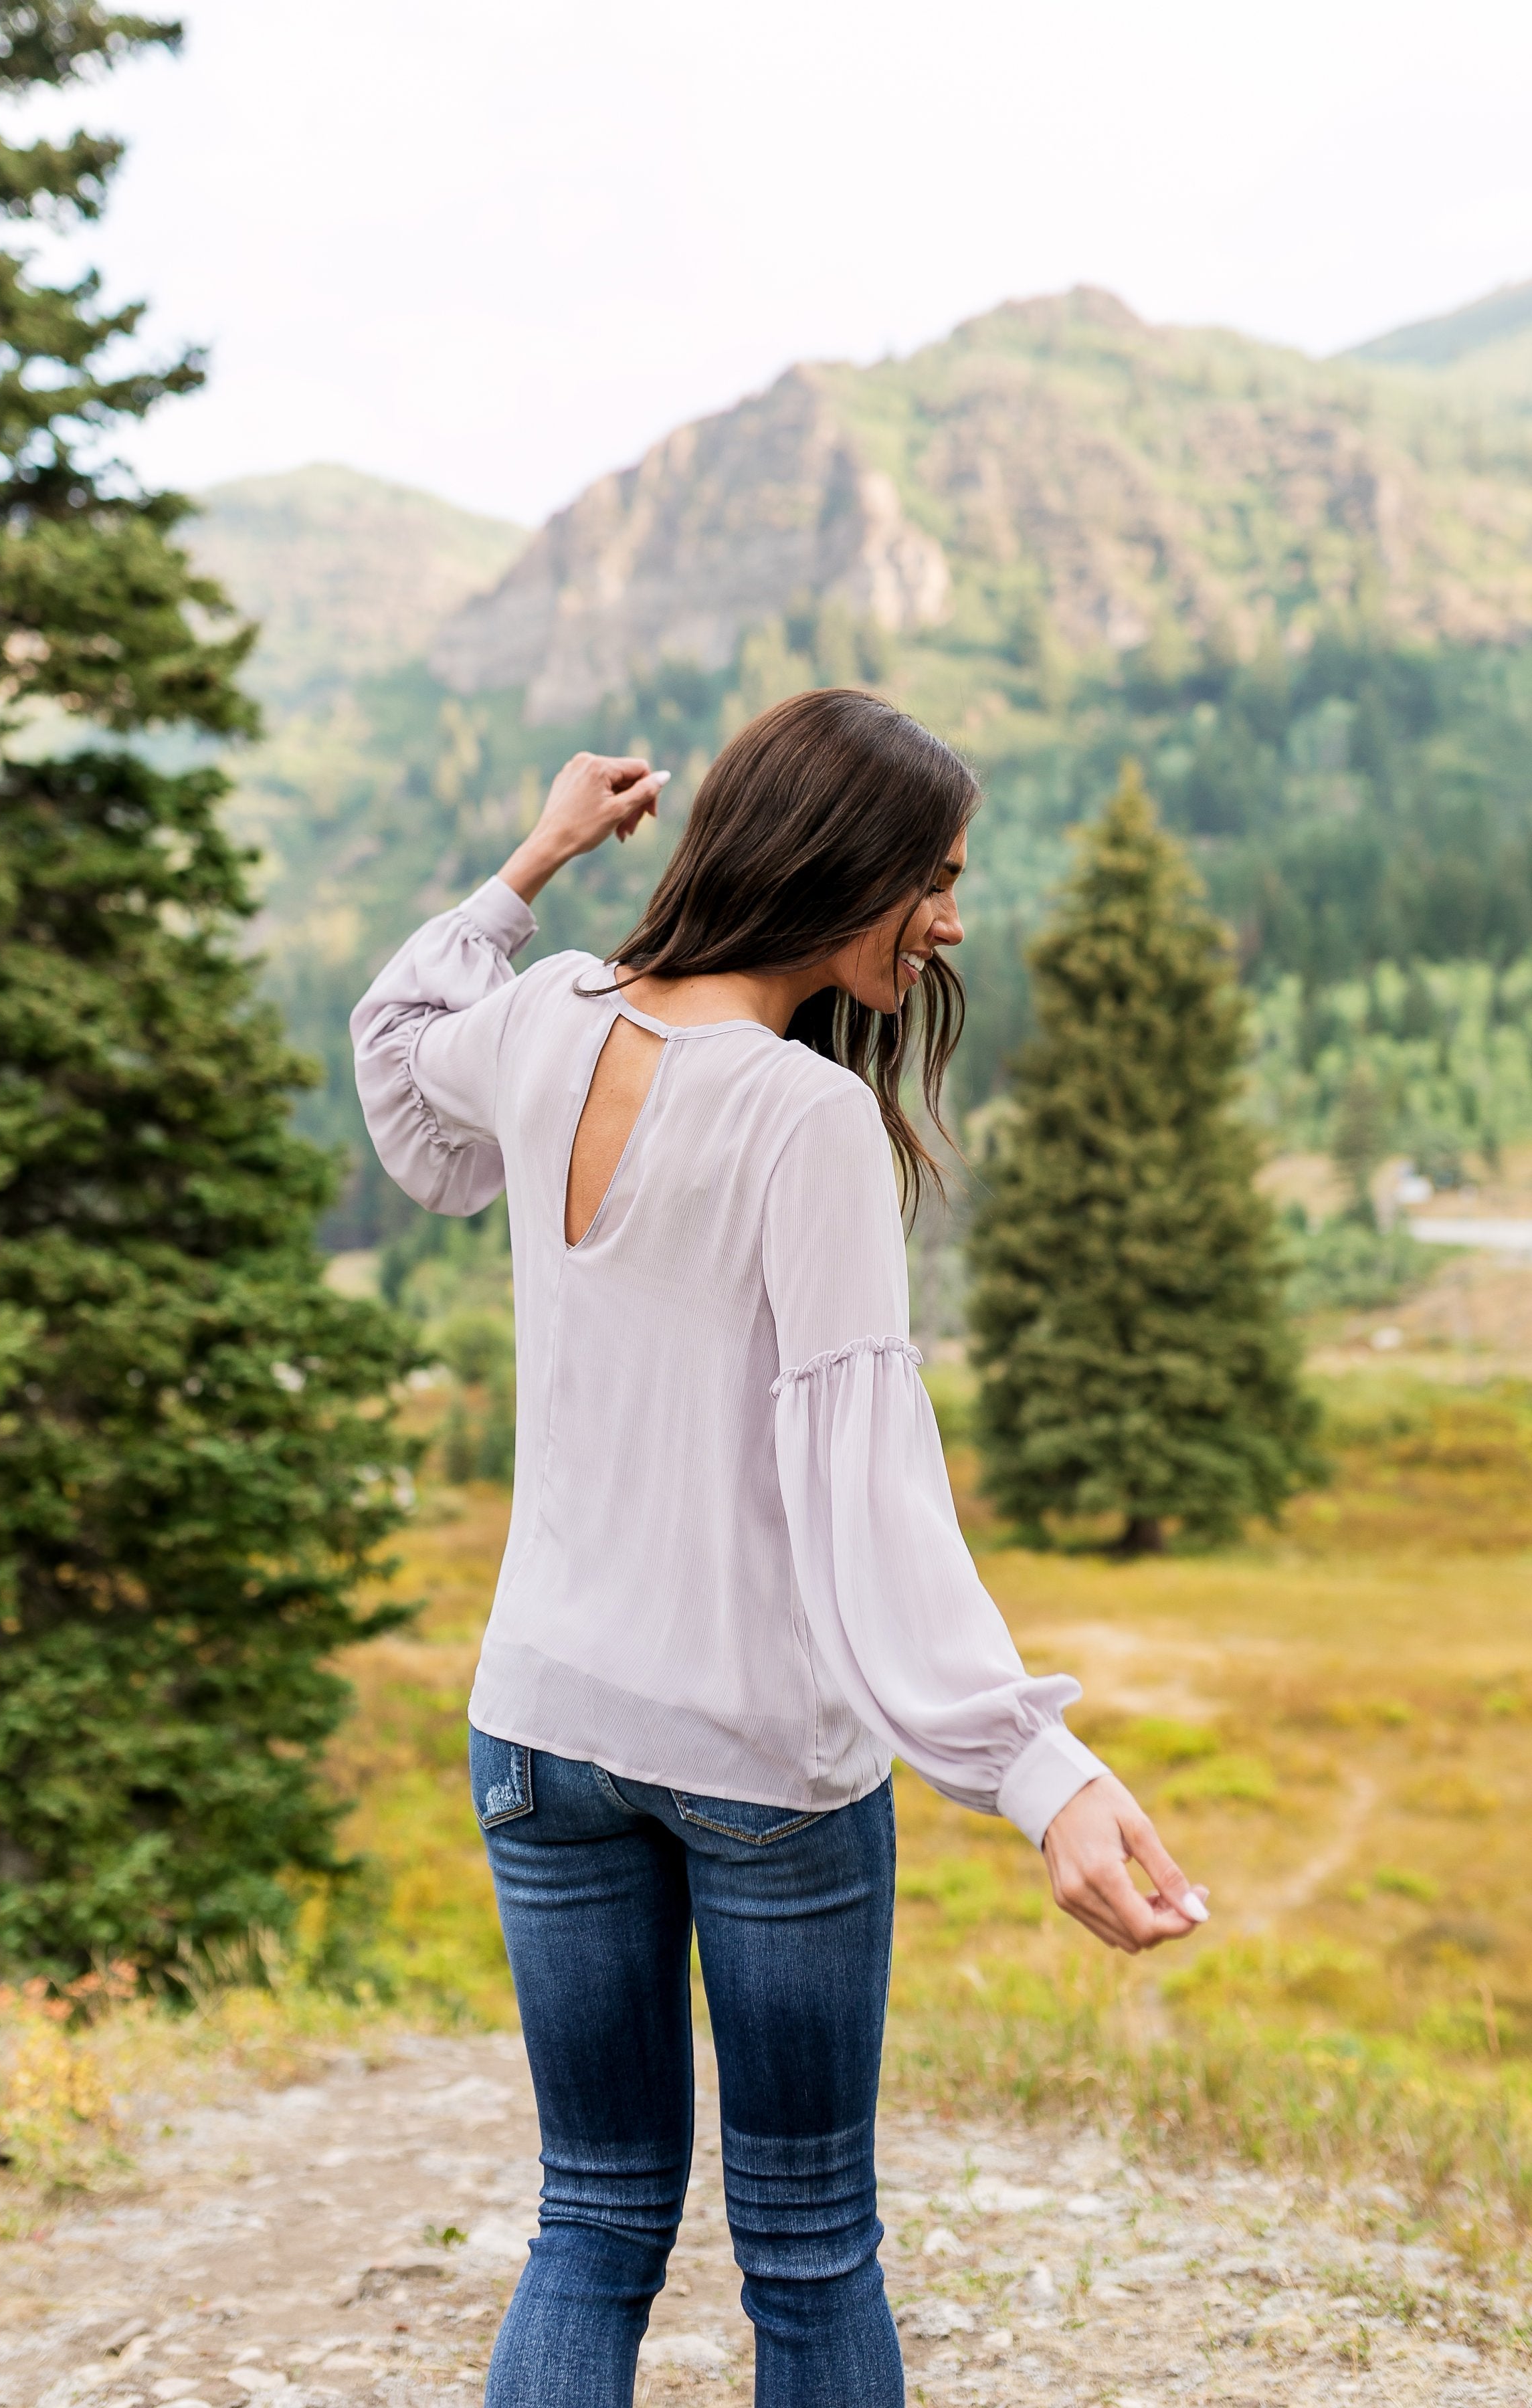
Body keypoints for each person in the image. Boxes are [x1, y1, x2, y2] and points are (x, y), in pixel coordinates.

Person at [352, 691, 1208, 2408]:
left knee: (588, 2222)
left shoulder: (547, 1018)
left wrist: (535, 860)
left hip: (537, 1727)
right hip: (759, 1758)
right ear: (847, 866)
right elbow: (867, 1486)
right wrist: (1037, 1772)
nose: (952, 920)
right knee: (810, 2249)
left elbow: (395, 1045)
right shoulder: (804, 1120)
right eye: (937, 878)